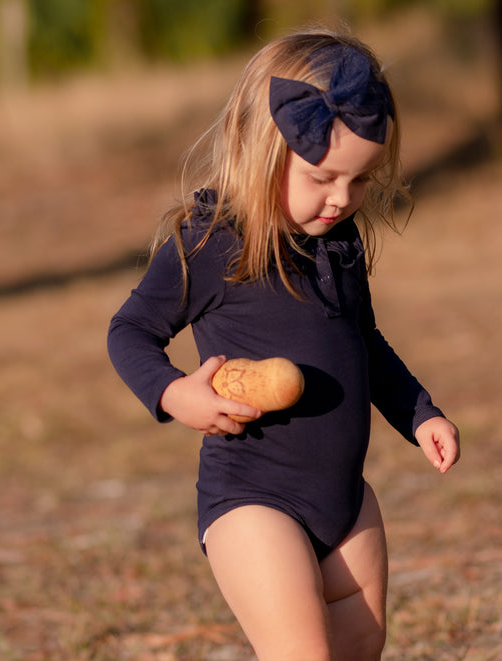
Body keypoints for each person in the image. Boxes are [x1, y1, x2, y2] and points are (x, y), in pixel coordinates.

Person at [107, 28, 460, 661]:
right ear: (261, 152)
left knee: (361, 646)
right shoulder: (211, 243)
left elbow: (365, 342)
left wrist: (419, 413)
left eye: (360, 180)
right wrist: (173, 393)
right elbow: (129, 330)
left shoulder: (339, 243)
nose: (342, 199)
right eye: (323, 177)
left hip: (346, 501)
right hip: (253, 500)